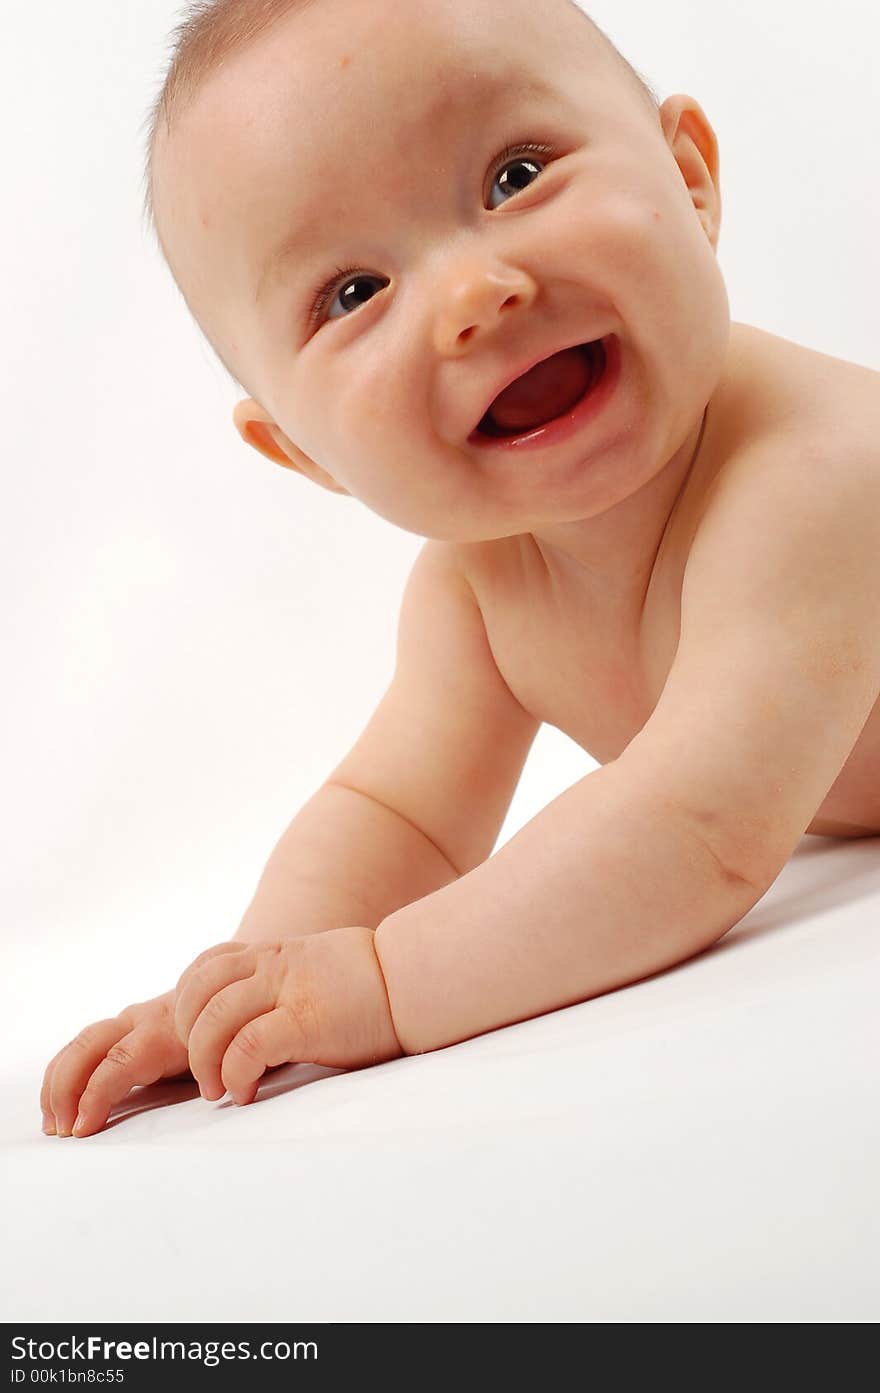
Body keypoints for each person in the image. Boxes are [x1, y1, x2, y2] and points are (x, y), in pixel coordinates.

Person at [41, 0, 880, 1139]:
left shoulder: (817, 476)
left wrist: (389, 983)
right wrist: (250, 989)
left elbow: (699, 834)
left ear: (688, 181)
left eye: (515, 175)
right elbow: (398, 814)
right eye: (354, 292)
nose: (475, 296)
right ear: (302, 452)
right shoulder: (476, 589)